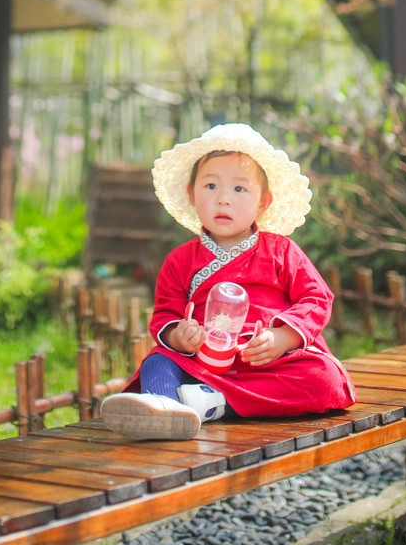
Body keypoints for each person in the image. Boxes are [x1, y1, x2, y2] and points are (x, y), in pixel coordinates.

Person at [100, 123, 356, 440]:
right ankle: (163, 408)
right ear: (191, 193)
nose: (223, 199)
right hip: (204, 363)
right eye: (211, 186)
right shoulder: (180, 261)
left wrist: (283, 338)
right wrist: (180, 336)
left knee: (324, 378)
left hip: (267, 364)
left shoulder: (281, 250)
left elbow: (317, 298)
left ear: (263, 201)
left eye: (239, 189)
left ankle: (212, 404)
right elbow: (166, 313)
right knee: (157, 361)